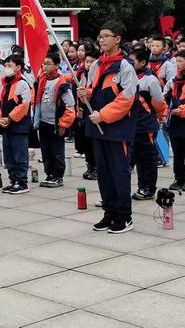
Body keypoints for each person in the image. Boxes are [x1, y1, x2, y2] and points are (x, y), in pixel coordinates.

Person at [78, 20, 138, 234]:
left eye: (106, 36)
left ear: (117, 39)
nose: (101, 40)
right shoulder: (96, 65)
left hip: (117, 129)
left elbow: (126, 99)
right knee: (103, 173)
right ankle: (109, 212)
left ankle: (124, 216)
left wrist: (103, 115)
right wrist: (85, 95)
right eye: (100, 36)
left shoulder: (125, 67)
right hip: (97, 128)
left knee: (119, 173)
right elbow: (93, 90)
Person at [129, 48, 166, 199]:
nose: (130, 64)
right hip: (133, 125)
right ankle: (141, 186)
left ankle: (149, 188)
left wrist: (158, 116)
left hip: (146, 125)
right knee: (138, 157)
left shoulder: (150, 80)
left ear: (143, 62)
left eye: (133, 61)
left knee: (149, 157)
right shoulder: (130, 77)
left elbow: (159, 103)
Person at [0, 54, 32, 194]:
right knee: (8, 155)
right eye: (6, 65)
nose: (6, 68)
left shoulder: (22, 83)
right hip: (5, 126)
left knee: (19, 154)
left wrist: (9, 118)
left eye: (10, 65)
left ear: (19, 67)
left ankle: (22, 182)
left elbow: (24, 105)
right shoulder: (3, 85)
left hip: (19, 125)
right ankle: (13, 180)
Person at [35, 52, 76, 187]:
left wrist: (63, 124)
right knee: (45, 151)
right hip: (43, 122)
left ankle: (58, 176)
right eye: (44, 63)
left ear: (57, 65)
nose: (45, 66)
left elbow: (70, 106)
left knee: (57, 151)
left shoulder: (62, 82)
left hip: (56, 124)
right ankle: (49, 174)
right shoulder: (42, 79)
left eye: (48, 64)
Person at [75, 49, 99, 180]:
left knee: (94, 141)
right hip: (84, 110)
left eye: (91, 61)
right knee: (86, 141)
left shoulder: (99, 76)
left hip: (95, 111)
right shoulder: (81, 76)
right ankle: (90, 165)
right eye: (87, 61)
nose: (88, 64)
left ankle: (96, 167)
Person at [163, 50, 185, 191]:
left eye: (181, 61)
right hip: (176, 122)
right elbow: (166, 98)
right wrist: (165, 113)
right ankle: (179, 179)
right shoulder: (174, 80)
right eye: (176, 61)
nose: (177, 64)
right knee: (177, 152)